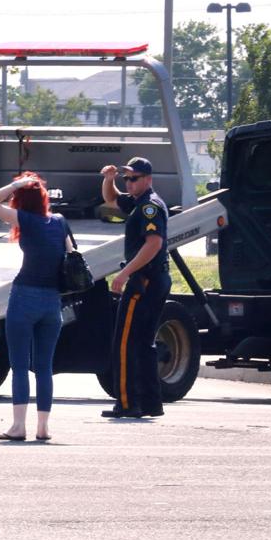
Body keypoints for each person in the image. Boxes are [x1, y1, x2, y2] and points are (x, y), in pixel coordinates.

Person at [0, 172, 71, 442]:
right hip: (52, 302)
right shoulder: (59, 222)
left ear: (21, 199)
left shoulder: (25, 220)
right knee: (44, 366)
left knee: (20, 365)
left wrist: (14, 185)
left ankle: (18, 426)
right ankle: (43, 427)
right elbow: (69, 255)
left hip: (24, 298)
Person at [100, 157, 171, 419]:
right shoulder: (139, 201)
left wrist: (125, 273)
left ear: (148, 179)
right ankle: (151, 402)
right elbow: (111, 199)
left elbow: (153, 243)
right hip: (153, 279)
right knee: (142, 342)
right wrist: (109, 179)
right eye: (126, 178)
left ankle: (128, 403)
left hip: (144, 280)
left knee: (124, 342)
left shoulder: (149, 206)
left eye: (134, 178)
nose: (128, 183)